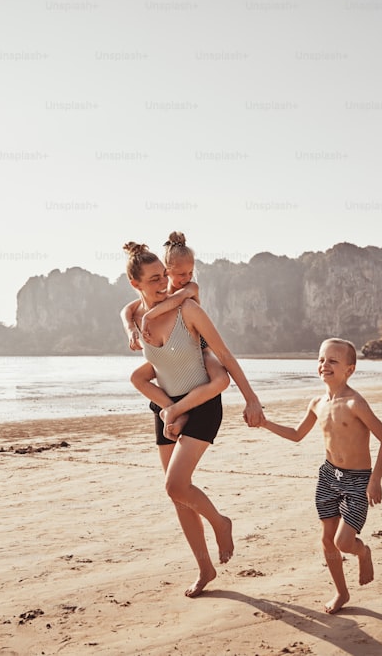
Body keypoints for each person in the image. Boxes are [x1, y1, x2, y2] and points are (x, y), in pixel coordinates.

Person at [122, 241, 265, 598]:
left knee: (175, 485)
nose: (164, 284)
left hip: (202, 406)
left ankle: (221, 522)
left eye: (162, 277)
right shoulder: (138, 315)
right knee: (178, 496)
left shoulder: (187, 309)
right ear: (136, 284)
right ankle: (205, 569)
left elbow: (224, 356)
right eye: (155, 279)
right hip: (168, 404)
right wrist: (131, 328)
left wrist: (252, 398)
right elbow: (127, 312)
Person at [259, 338, 382, 614]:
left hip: (358, 479)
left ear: (350, 369)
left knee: (343, 542)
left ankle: (362, 552)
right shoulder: (317, 403)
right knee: (326, 539)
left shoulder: (355, 403)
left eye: (333, 360)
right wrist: (265, 423)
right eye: (321, 359)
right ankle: (341, 592)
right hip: (328, 476)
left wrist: (375, 479)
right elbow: (297, 435)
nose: (325, 365)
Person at [120, 232, 230, 440]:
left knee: (222, 380)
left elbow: (174, 301)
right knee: (137, 377)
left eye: (190, 272)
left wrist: (149, 316)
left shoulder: (189, 289)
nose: (186, 278)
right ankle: (173, 409)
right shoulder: (161, 293)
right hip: (174, 355)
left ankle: (177, 409)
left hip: (199, 347)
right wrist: (131, 329)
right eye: (180, 274)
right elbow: (127, 309)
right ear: (169, 272)